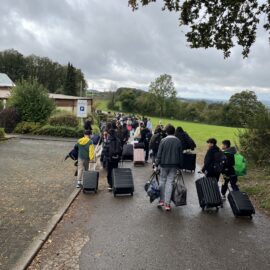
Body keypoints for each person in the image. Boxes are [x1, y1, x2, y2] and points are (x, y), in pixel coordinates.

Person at [155, 124, 183, 211]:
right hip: (174, 165)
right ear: (174, 132)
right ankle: (167, 204)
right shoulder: (178, 141)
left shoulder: (163, 140)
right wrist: (180, 166)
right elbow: (180, 155)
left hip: (163, 164)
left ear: (166, 132)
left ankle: (161, 201)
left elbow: (159, 154)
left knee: (162, 181)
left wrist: (156, 164)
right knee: (170, 183)